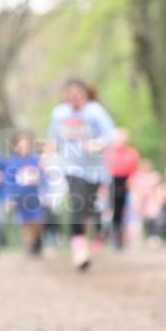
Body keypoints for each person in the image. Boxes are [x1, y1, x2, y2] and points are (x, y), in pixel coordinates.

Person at [47, 78, 116, 270]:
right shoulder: (59, 113)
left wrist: (96, 144)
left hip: (94, 169)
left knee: (89, 208)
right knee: (77, 204)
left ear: (84, 94)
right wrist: (46, 157)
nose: (72, 97)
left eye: (76, 93)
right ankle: (79, 250)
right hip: (70, 165)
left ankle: (89, 241)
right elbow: (53, 137)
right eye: (68, 93)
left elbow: (111, 134)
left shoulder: (95, 111)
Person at [5, 132, 45, 256]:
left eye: (26, 145)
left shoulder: (37, 160)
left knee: (37, 221)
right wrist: (10, 198)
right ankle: (29, 246)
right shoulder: (13, 162)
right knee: (25, 222)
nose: (24, 148)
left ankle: (37, 241)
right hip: (21, 197)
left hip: (35, 196)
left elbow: (45, 177)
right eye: (21, 145)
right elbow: (10, 181)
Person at [103, 128, 140, 249]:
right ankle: (111, 235)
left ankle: (118, 238)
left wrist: (131, 180)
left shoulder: (132, 153)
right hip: (112, 181)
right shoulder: (109, 151)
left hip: (125, 182)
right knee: (111, 209)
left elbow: (134, 170)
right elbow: (104, 167)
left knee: (121, 211)